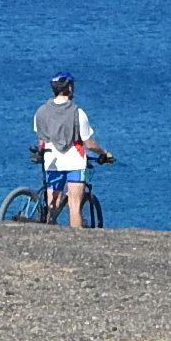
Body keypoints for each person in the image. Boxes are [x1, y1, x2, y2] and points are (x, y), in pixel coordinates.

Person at [32, 74, 107, 229]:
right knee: (74, 206)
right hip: (75, 161)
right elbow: (89, 143)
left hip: (52, 162)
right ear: (70, 88)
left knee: (52, 207)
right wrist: (104, 153)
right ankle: (77, 241)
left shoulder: (41, 112)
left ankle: (49, 231)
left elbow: (42, 140)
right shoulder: (78, 113)